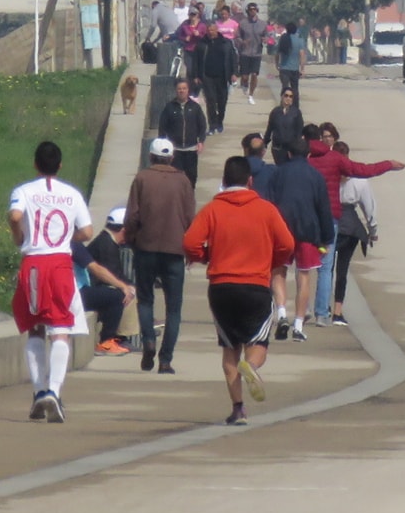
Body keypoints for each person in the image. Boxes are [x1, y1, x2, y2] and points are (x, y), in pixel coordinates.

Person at [183, 155, 295, 426]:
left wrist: (206, 255)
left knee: (229, 347)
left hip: (221, 287)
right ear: (250, 181)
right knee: (258, 342)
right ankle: (252, 367)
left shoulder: (212, 209)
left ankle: (238, 409)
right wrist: (271, 259)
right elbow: (288, 244)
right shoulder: (266, 210)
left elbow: (189, 243)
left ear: (223, 181)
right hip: (255, 285)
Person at [8, 141, 94, 421]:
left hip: (33, 262)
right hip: (60, 264)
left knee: (34, 329)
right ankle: (54, 393)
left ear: (35, 164)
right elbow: (88, 231)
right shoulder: (71, 194)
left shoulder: (23, 191)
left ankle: (37, 391)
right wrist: (69, 237)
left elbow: (15, 215)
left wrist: (17, 233)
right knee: (61, 330)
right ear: (60, 165)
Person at [308, 124, 404, 326]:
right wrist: (388, 164)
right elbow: (363, 170)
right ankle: (321, 314)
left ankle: (304, 311)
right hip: (334, 219)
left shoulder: (308, 160)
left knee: (307, 265)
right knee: (328, 268)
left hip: (312, 217)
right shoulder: (335, 160)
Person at [124, 138, 196, 372]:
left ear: (151, 156)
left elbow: (132, 216)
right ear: (172, 157)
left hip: (146, 248)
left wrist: (131, 237)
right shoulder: (183, 181)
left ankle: (148, 341)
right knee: (174, 308)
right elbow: (190, 219)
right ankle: (166, 360)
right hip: (175, 250)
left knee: (145, 300)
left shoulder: (142, 178)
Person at [257, 140, 334, 341]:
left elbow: (269, 201)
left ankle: (282, 313)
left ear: (289, 154)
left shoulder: (277, 173)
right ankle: (298, 326)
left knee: (278, 272)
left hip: (282, 230)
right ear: (308, 155)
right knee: (304, 277)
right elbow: (323, 208)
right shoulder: (316, 177)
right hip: (308, 232)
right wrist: (327, 237)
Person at [329, 148, 384, 327]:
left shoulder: (326, 175)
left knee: (325, 269)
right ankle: (337, 310)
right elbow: (369, 209)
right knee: (342, 270)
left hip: (330, 224)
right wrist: (372, 232)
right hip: (351, 227)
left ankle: (323, 308)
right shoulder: (359, 181)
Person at [76, 211, 137, 354]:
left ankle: (118, 337)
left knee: (124, 291)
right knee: (118, 295)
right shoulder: (100, 244)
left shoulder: (103, 242)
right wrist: (125, 286)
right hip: (77, 292)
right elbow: (99, 270)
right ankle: (108, 341)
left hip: (79, 289)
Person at [156, 78, 209, 184]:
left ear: (188, 90)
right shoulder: (169, 107)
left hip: (191, 150)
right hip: (175, 151)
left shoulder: (195, 107)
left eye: (184, 88)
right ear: (176, 90)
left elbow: (202, 126)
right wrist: (162, 145)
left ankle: (189, 198)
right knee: (175, 179)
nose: (182, 91)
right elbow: (162, 127)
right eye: (179, 89)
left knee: (191, 178)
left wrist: (201, 142)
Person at [199, 19, 238, 135]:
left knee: (222, 101)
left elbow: (233, 59)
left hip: (222, 76)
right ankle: (212, 125)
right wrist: (196, 75)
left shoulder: (226, 43)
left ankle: (219, 121)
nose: (210, 32)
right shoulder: (202, 43)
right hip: (207, 76)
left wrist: (234, 73)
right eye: (208, 30)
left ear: (217, 30)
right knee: (210, 101)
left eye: (212, 30)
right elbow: (197, 60)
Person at [235, 3, 268, 104]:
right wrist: (242, 42)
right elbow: (237, 36)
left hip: (257, 53)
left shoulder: (262, 24)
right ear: (247, 11)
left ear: (257, 10)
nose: (252, 11)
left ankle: (251, 95)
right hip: (245, 53)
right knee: (245, 76)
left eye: (254, 9)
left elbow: (266, 35)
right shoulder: (243, 23)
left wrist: (265, 39)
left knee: (254, 74)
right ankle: (244, 84)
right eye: (250, 9)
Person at [265, 86, 305, 163]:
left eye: (291, 96)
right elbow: (269, 129)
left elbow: (300, 130)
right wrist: (264, 143)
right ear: (282, 96)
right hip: (277, 148)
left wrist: (298, 147)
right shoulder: (275, 112)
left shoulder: (296, 113)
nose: (288, 98)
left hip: (291, 149)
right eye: (286, 95)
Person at [274, 17, 307, 99]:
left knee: (285, 88)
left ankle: (283, 106)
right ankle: (295, 108)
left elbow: (277, 53)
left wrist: (277, 64)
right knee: (295, 90)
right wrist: (302, 68)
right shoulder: (299, 40)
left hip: (284, 68)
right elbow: (302, 55)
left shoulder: (283, 39)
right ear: (295, 30)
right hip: (295, 69)